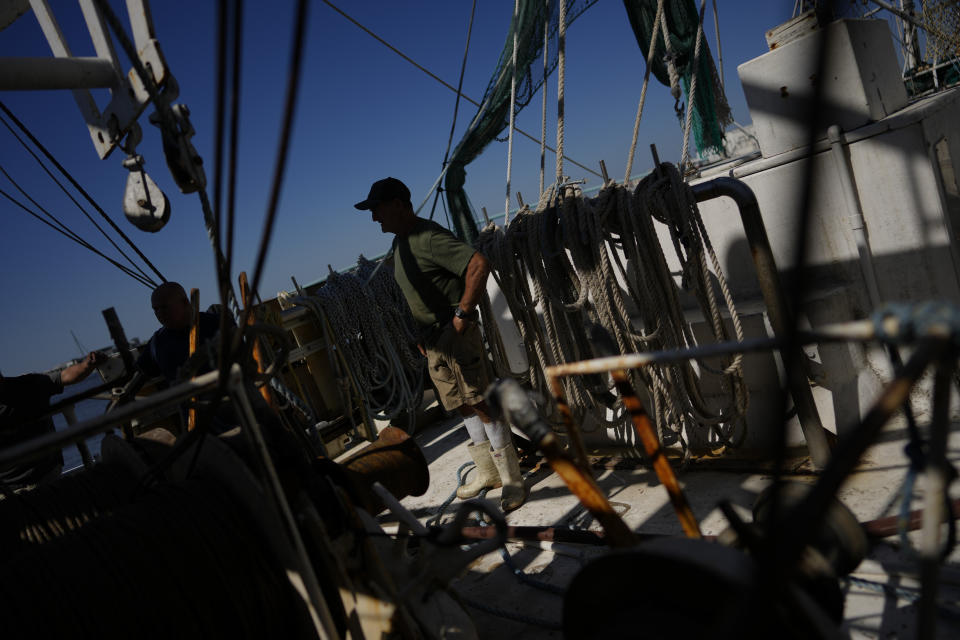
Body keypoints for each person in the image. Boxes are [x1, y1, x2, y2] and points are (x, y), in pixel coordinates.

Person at [355, 177, 527, 512]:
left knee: (478, 400)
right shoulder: (399, 246)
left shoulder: (427, 237)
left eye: (377, 208)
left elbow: (478, 264)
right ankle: (487, 472)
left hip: (454, 333)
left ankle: (511, 479)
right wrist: (420, 335)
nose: (374, 217)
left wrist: (463, 315)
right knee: (458, 403)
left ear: (398, 205)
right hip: (432, 339)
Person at [0, 351, 106, 489]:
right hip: (47, 476)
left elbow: (65, 376)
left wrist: (87, 364)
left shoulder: (28, 384)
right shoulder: (28, 384)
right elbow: (66, 377)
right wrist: (87, 365)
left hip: (18, 487)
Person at [136, 281, 222, 384]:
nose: (159, 313)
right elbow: (141, 373)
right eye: (155, 309)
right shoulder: (156, 343)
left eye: (164, 307)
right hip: (184, 397)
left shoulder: (217, 324)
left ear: (185, 302)